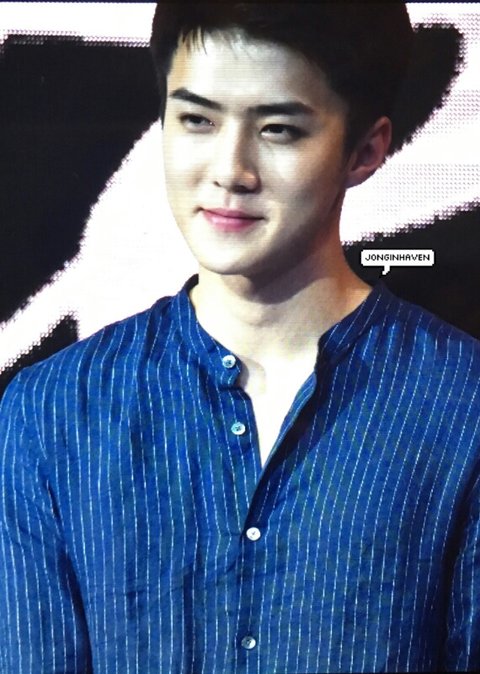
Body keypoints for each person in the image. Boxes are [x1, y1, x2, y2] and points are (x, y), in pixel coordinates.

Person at [0, 2, 478, 672]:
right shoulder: (51, 412)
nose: (230, 170)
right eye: (196, 120)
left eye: (278, 130)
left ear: (367, 151)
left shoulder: (462, 406)